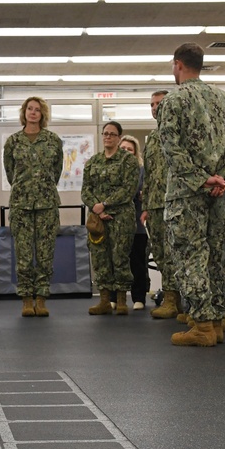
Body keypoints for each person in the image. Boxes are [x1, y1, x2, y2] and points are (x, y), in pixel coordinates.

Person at [158, 42, 225, 347]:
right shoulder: (224, 100)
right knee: (216, 255)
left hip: (187, 194)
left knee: (191, 256)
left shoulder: (174, 100)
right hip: (220, 194)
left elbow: (171, 147)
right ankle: (218, 322)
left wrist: (201, 178)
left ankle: (203, 324)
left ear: (177, 64)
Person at [3, 97, 64, 318]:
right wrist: (25, 189)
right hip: (21, 205)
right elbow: (11, 173)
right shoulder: (13, 141)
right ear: (24, 112)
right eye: (30, 109)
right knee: (24, 255)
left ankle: (41, 298)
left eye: (37, 110)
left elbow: (56, 172)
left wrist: (41, 188)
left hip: (47, 204)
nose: (33, 113)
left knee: (46, 255)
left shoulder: (53, 140)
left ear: (43, 115)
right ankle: (27, 299)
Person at [81, 120, 140, 316]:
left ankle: (122, 300)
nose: (108, 137)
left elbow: (128, 189)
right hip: (98, 219)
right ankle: (105, 300)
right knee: (99, 258)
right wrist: (97, 209)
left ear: (119, 137)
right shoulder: (93, 161)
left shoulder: (127, 161)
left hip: (120, 217)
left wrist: (105, 204)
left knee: (120, 257)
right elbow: (86, 190)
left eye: (112, 134)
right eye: (105, 133)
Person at [142, 90, 177, 320]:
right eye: (152, 104)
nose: (155, 108)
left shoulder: (177, 131)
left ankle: (175, 299)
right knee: (161, 254)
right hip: (154, 204)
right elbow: (148, 173)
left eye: (159, 103)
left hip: (174, 201)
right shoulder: (153, 137)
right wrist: (145, 205)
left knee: (175, 253)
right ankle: (171, 298)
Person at [119, 134, 149, 310]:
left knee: (137, 263)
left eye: (129, 149)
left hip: (137, 225)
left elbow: (141, 191)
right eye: (122, 149)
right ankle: (115, 298)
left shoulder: (142, 171)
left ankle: (139, 298)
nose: (126, 152)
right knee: (117, 263)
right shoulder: (112, 169)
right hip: (116, 225)